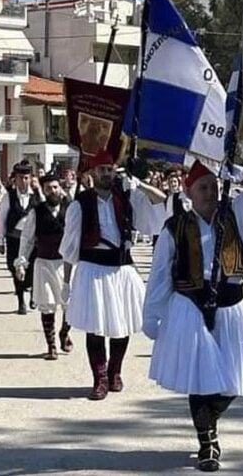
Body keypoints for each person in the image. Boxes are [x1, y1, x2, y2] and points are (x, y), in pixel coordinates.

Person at [143, 161, 243, 472]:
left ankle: (208, 419)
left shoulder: (234, 215)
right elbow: (160, 273)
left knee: (232, 381)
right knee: (200, 380)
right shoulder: (174, 226)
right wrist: (152, 314)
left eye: (213, 187)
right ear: (189, 191)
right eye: (202, 187)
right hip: (190, 307)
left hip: (231, 307)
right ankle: (207, 442)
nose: (210, 193)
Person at [59, 151, 165, 400]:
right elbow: (70, 246)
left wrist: (141, 185)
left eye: (110, 169)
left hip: (121, 268)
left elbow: (161, 205)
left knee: (122, 324)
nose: (106, 173)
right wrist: (65, 281)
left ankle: (115, 371)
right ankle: (100, 378)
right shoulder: (80, 204)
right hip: (92, 268)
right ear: (92, 173)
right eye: (102, 169)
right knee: (95, 329)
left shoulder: (127, 198)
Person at [14, 173, 73, 359]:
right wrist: (21, 263)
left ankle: (64, 333)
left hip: (66, 264)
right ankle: (52, 346)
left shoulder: (71, 209)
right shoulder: (36, 212)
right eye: (48, 188)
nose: (53, 191)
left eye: (55, 187)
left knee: (69, 304)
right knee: (47, 305)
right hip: (44, 263)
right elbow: (27, 239)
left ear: (60, 187)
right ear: (43, 190)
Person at [0, 161, 40, 314]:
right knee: (15, 269)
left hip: (32, 240)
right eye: (21, 178)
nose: (23, 181)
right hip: (14, 238)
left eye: (26, 178)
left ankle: (34, 294)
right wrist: (0, 240)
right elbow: (1, 219)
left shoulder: (37, 196)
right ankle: (21, 301)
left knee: (33, 268)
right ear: (15, 179)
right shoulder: (8, 197)